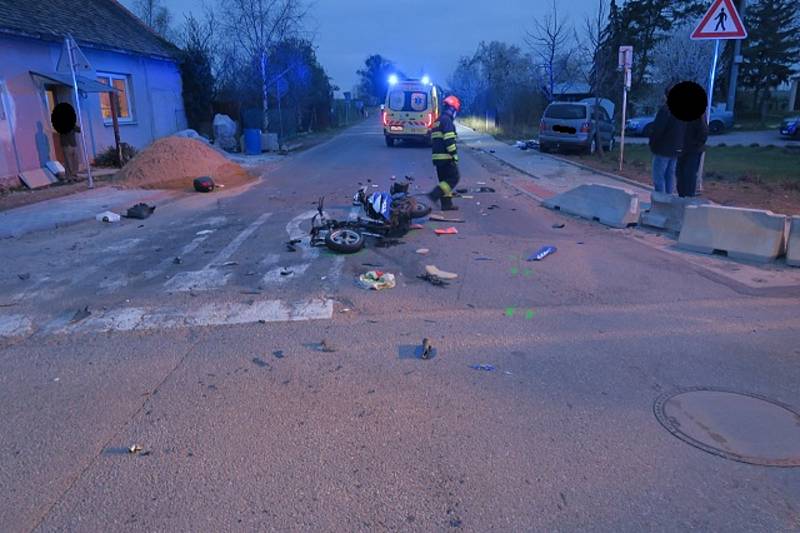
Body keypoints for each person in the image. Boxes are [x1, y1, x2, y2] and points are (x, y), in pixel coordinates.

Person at [649, 87, 685, 194]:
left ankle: (661, 202)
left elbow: (658, 130)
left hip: (663, 149)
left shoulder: (665, 110)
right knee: (670, 176)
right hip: (676, 149)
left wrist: (653, 144)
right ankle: (669, 201)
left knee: (659, 177)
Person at [428, 95, 462, 211]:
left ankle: (446, 204)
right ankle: (435, 193)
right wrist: (454, 155)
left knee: (444, 181)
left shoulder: (437, 121)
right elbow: (449, 140)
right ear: (452, 109)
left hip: (437, 157)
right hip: (446, 157)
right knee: (453, 178)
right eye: (455, 111)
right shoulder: (447, 121)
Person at [676, 113, 708, 197]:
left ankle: (689, 195)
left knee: (689, 173)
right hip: (683, 147)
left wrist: (696, 143)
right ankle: (682, 195)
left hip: (693, 149)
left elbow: (703, 131)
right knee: (680, 172)